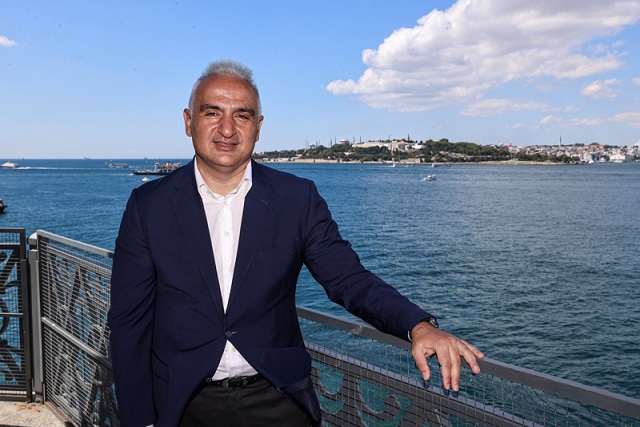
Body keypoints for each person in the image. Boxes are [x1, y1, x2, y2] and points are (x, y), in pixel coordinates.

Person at [107, 60, 484, 427]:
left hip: (276, 397)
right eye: (212, 113)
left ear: (258, 127)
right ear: (189, 122)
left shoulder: (296, 199)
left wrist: (418, 325)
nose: (227, 129)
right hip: (183, 402)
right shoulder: (149, 206)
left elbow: (348, 279)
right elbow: (129, 321)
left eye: (242, 116)